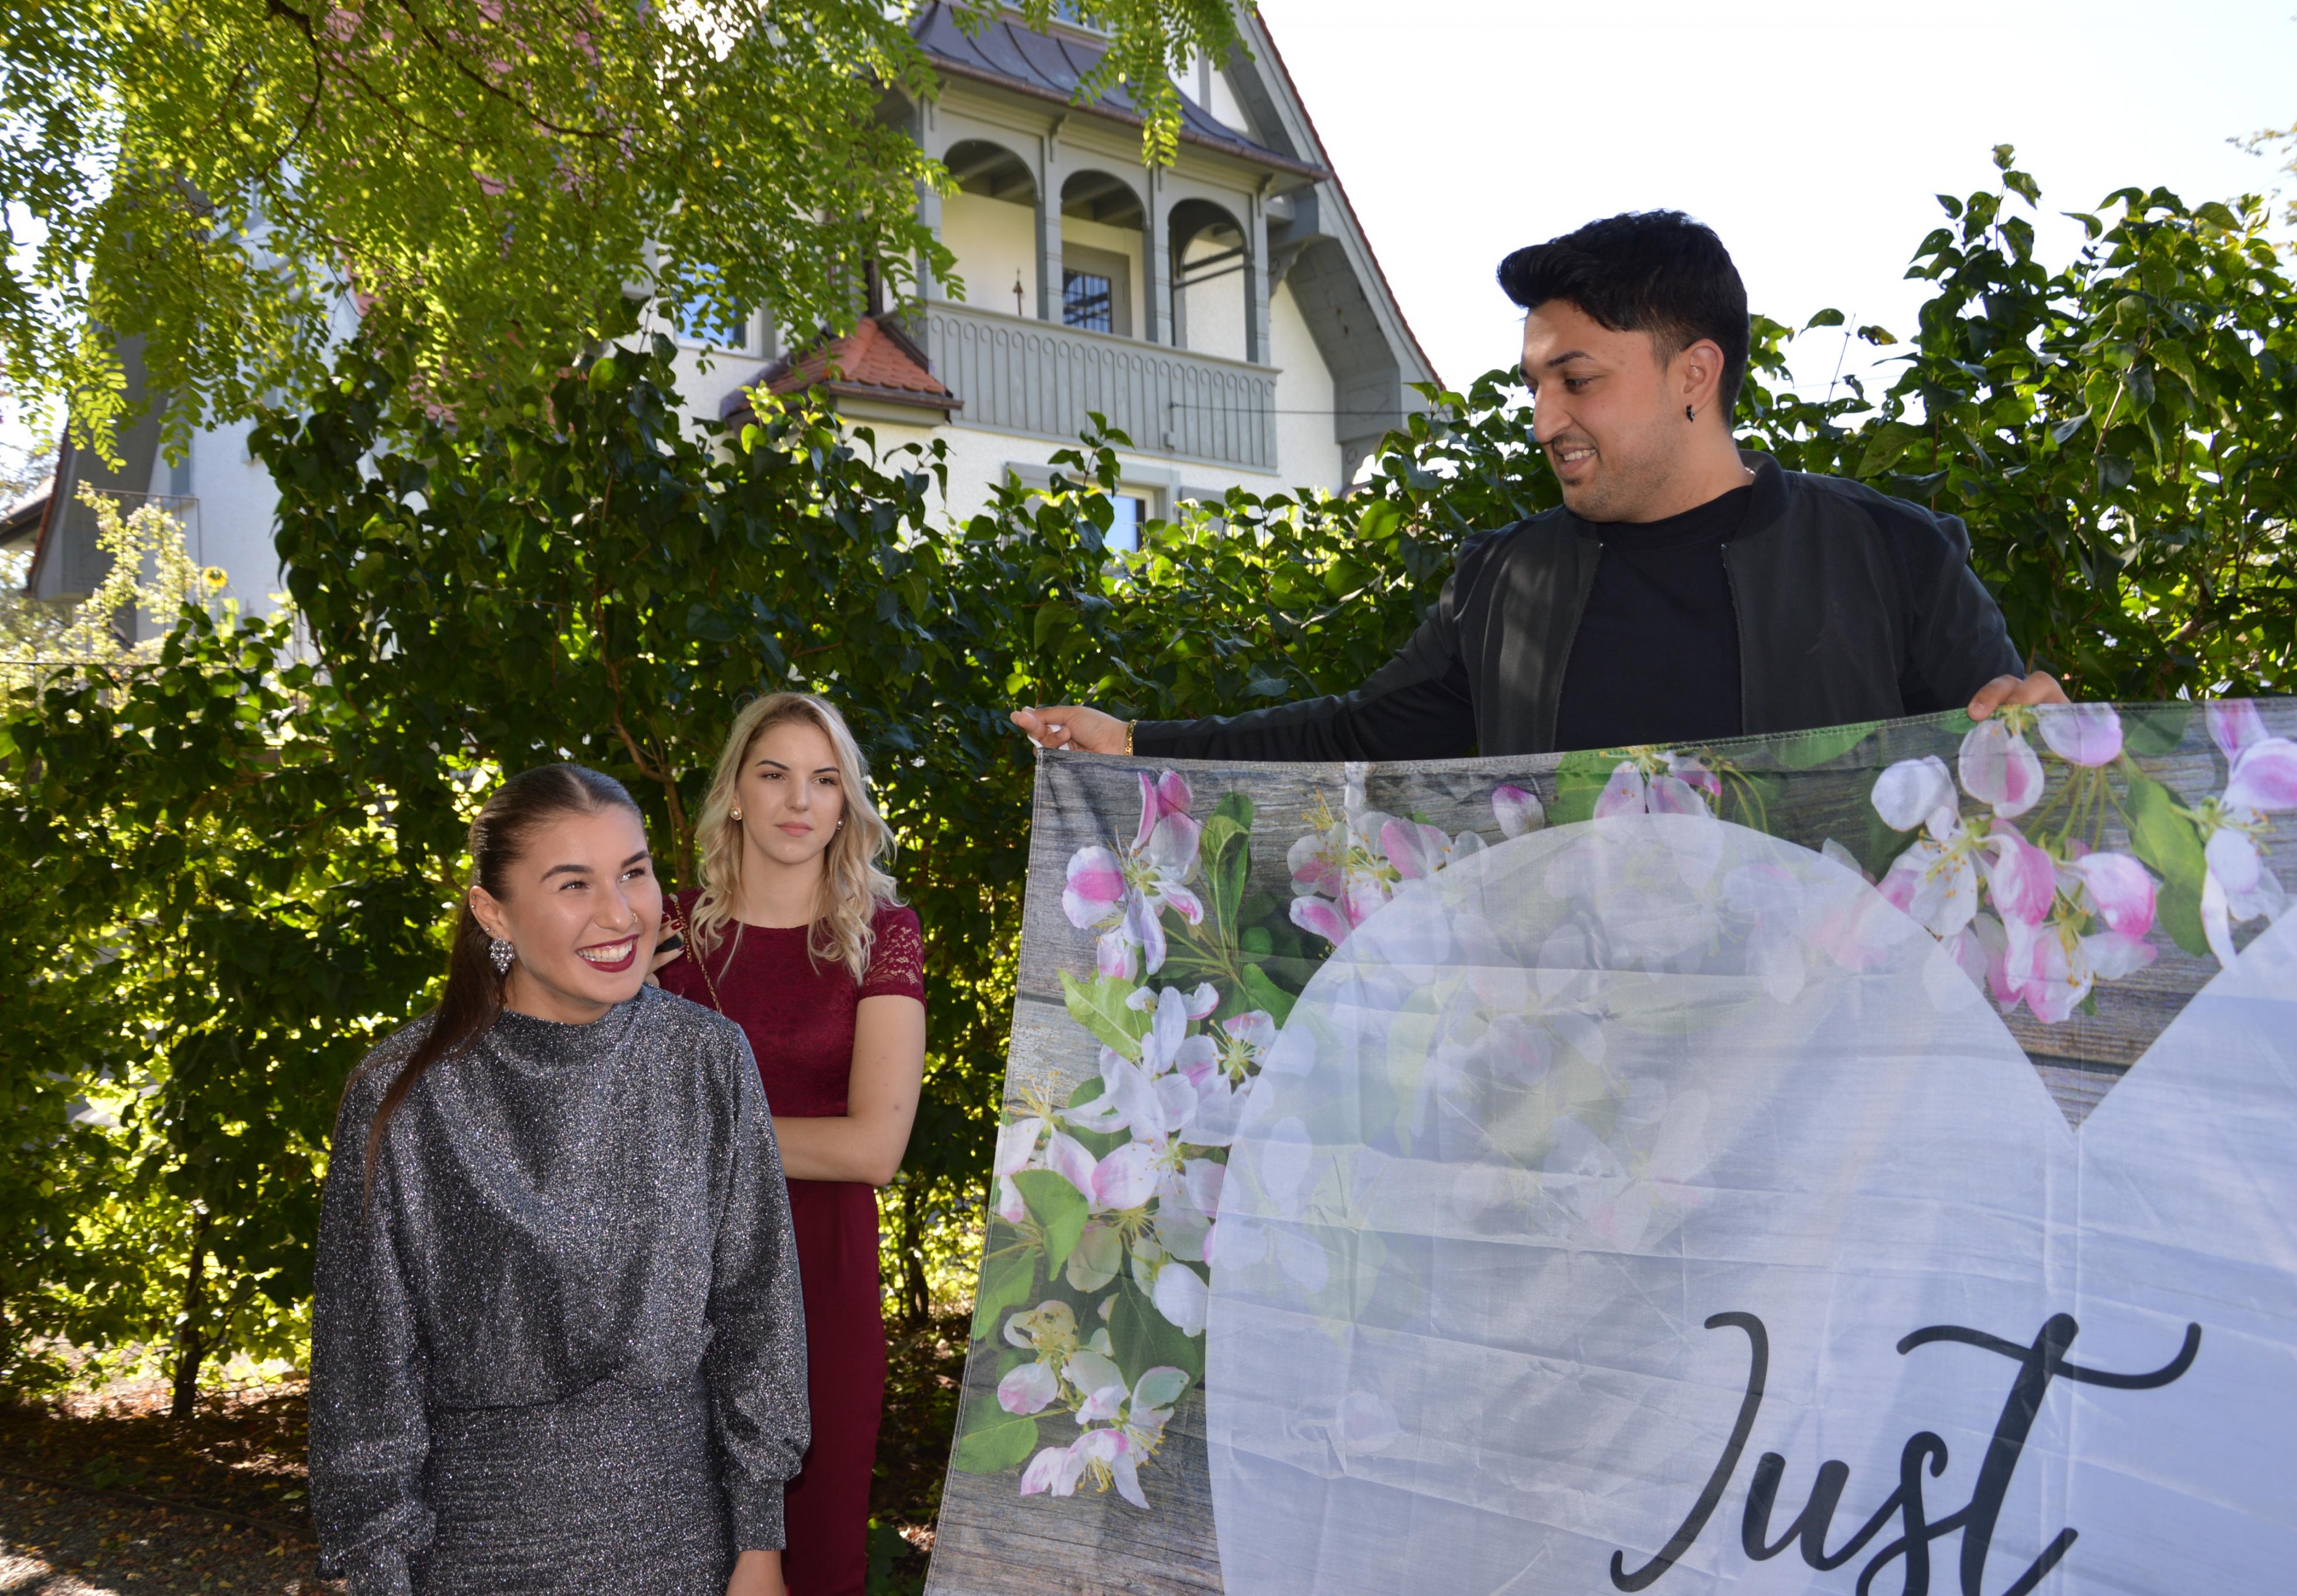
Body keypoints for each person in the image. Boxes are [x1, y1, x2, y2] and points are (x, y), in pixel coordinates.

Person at [1012, 210, 2065, 762]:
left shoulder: (1894, 557)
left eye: (1578, 380)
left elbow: (2010, 781)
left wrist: (2050, 735)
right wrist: (1137, 744)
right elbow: (1357, 738)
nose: (1545, 419)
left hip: (1829, 1088)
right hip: (1572, 1086)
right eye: (1534, 384)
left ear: (1694, 374)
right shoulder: (1505, 582)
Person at [309, 764, 807, 1596]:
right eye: (574, 884)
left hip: (689, 1545)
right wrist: (378, 1572)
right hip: (478, 1557)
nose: (620, 914)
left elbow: (759, 1311)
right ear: (492, 913)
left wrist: (760, 1543)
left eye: (634, 873)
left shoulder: (707, 1058)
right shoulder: (407, 1093)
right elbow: (366, 1376)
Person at [651, 693, 927, 1596]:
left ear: (847, 805)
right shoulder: (660, 932)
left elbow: (873, 1149)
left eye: (825, 780)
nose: (799, 800)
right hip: (674, 1275)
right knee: (673, 1544)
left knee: (818, 1549)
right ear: (736, 793)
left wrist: (702, 1134)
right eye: (774, 775)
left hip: (821, 1273)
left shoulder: (881, 935)